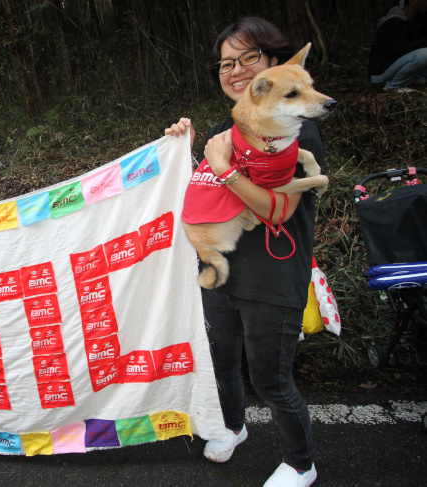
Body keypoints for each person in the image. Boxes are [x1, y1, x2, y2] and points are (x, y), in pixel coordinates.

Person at [166, 17, 321, 487]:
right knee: (220, 360)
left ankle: (300, 463)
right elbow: (200, 192)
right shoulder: (225, 129)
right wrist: (181, 150)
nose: (235, 71)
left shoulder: (295, 125)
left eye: (248, 58)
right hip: (222, 270)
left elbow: (277, 210)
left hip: (272, 276)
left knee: (271, 379)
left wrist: (226, 172)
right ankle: (233, 425)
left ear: (275, 63)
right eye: (225, 63)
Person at [368, 0, 427, 92]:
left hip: (396, 66)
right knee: (424, 54)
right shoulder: (393, 23)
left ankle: (419, 78)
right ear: (413, 2)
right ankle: (395, 85)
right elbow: (402, 49)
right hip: (381, 73)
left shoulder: (416, 20)